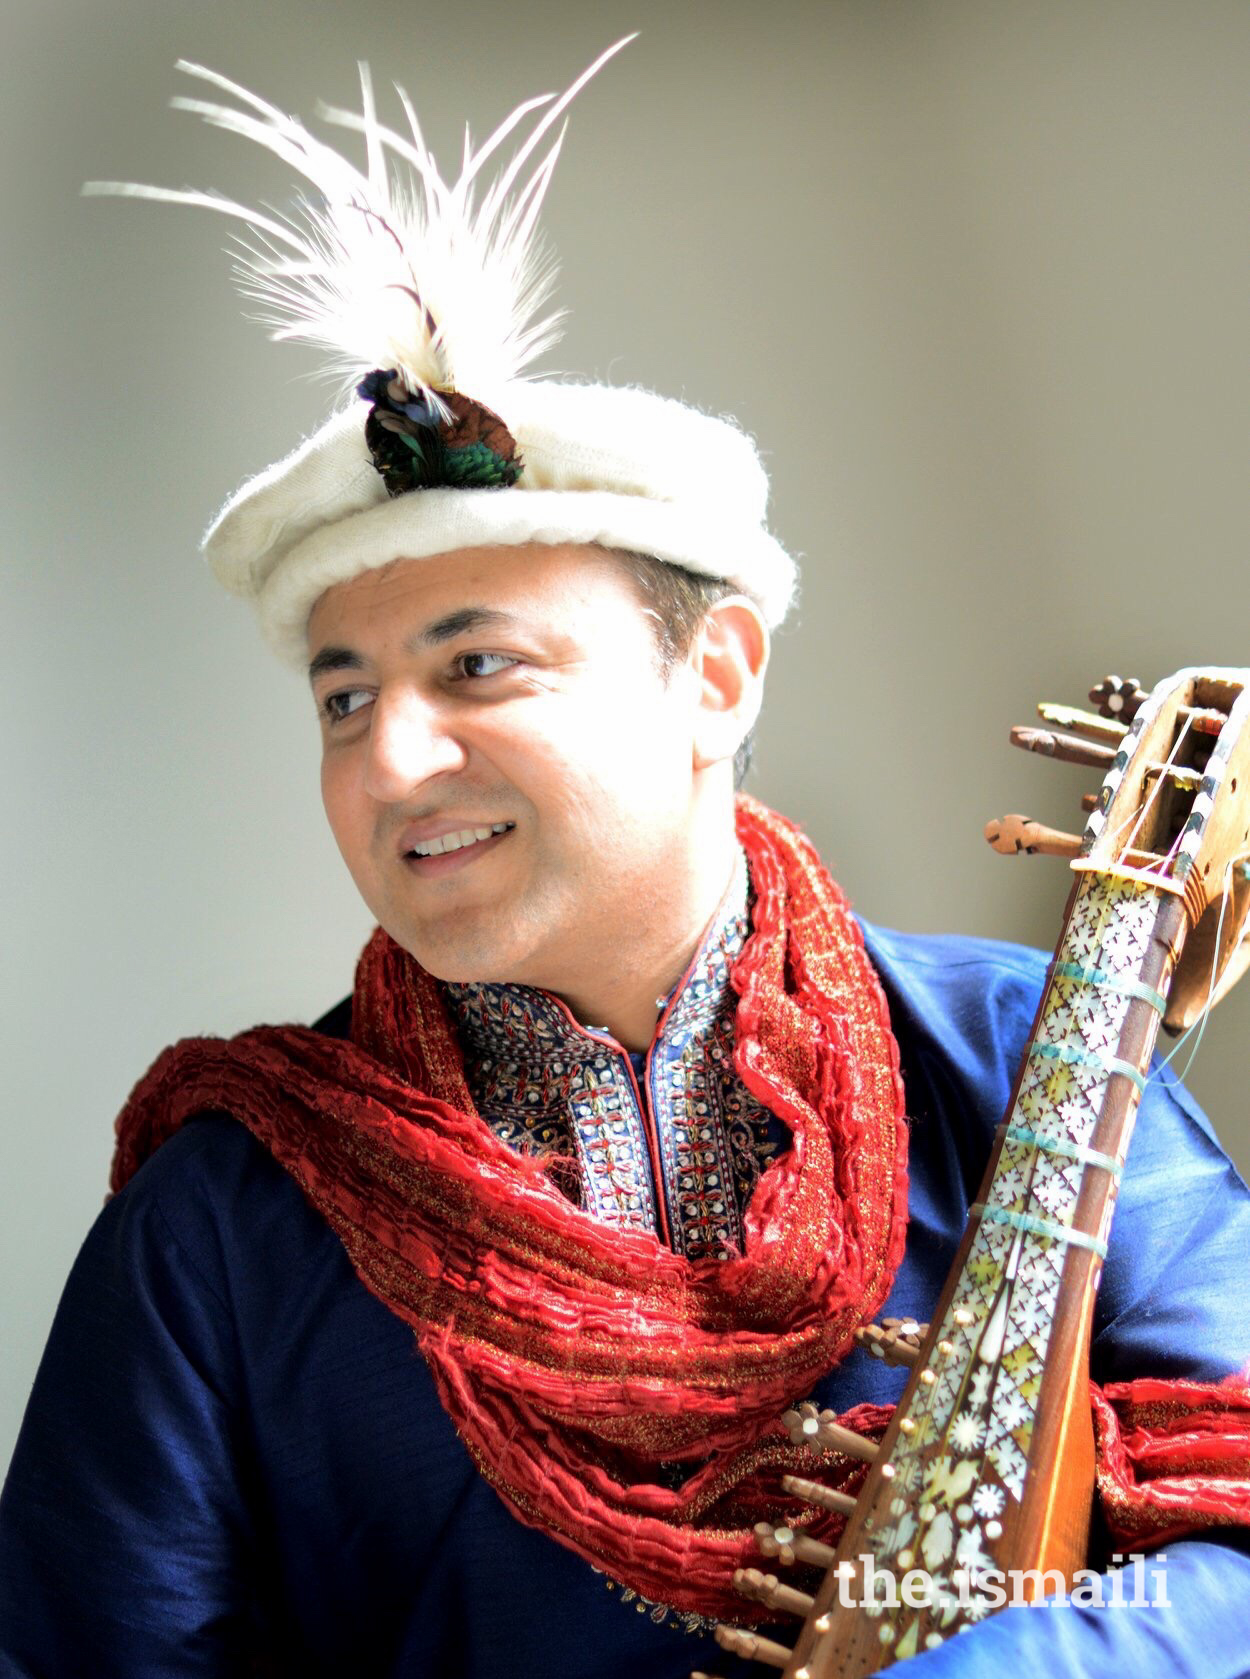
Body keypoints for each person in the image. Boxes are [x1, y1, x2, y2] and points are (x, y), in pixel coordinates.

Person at [2, 46, 1249, 1679]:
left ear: (714, 676)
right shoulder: (222, 1228)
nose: (390, 761)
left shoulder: (1027, 1056)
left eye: (476, 669)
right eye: (344, 698)